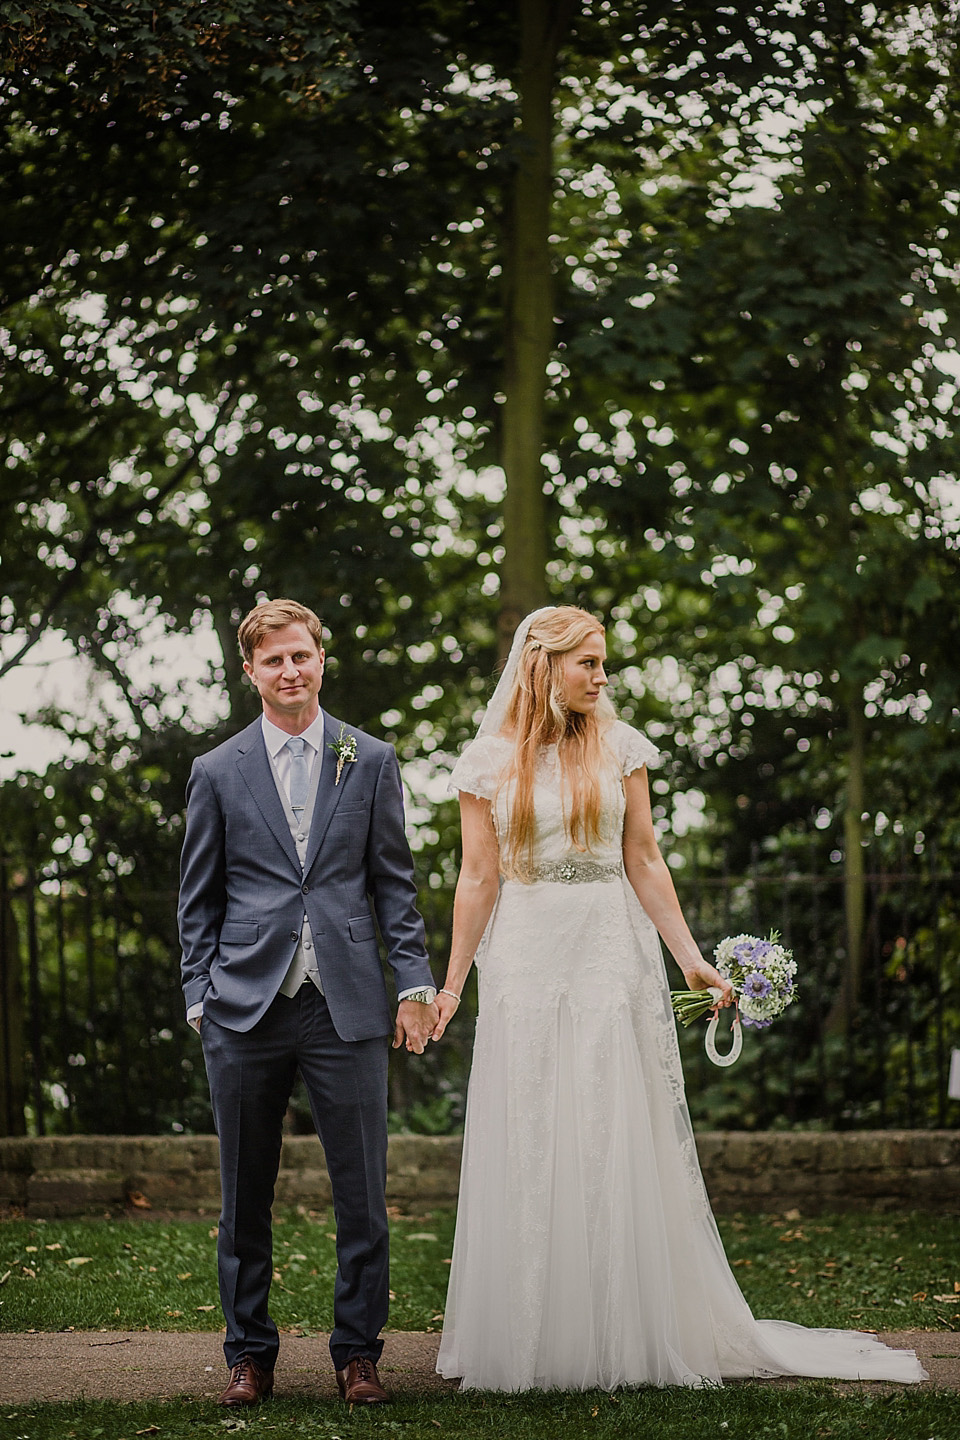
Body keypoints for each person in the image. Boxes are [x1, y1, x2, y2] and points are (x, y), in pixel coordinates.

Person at [432, 605, 925, 1391]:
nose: (602, 675)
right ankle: (529, 1334)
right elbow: (478, 877)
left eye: (603, 663)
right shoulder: (486, 762)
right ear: (544, 666)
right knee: (532, 1123)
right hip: (526, 954)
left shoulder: (621, 749)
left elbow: (645, 859)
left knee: (609, 1120)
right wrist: (453, 983)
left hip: (606, 947)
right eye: (587, 662)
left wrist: (690, 958)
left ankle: (624, 1329)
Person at [178, 598, 438, 1407]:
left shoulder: (370, 757)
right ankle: (248, 1357)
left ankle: (358, 1353)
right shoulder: (218, 770)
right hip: (244, 1007)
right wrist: (199, 997)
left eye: (303, 656)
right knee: (242, 1194)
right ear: (250, 671)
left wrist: (416, 982)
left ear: (321, 659)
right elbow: (199, 898)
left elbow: (393, 883)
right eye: (275, 660)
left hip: (347, 1003)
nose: (292, 670)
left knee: (362, 1193)